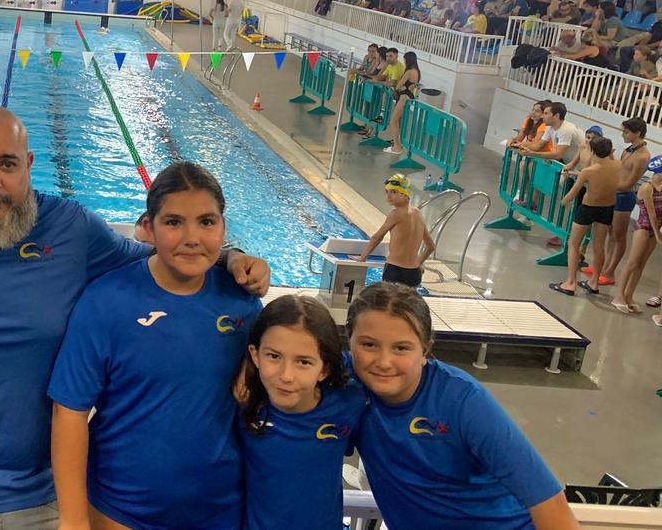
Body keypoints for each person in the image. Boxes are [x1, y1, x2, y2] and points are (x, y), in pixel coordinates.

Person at [0, 105, 270, 527]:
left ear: (28, 165)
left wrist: (230, 257)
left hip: (43, 496)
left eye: (7, 164)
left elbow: (165, 258)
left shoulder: (72, 230)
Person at [49, 162, 261, 529]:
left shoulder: (242, 304)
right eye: (174, 222)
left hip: (220, 511)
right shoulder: (106, 302)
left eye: (207, 222)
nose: (192, 237)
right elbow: (69, 413)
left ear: (224, 228)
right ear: (148, 228)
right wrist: (73, 518)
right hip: (118, 512)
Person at [346, 283, 579, 530]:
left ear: (425, 350)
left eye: (401, 348)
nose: (384, 362)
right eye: (369, 345)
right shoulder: (344, 385)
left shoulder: (462, 401)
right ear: (349, 344)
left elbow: (551, 505)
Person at [237, 295, 365, 530]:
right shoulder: (243, 405)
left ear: (324, 369)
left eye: (303, 362)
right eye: (274, 356)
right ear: (255, 356)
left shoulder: (349, 400)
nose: (286, 375)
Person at [549, 136, 619, 297]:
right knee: (599, 245)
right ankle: (594, 282)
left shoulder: (588, 171)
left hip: (588, 208)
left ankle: (570, 283)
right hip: (607, 208)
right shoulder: (618, 165)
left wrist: (562, 201)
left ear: (593, 151)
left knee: (574, 244)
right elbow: (610, 163)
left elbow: (572, 195)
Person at [586, 118, 650, 289]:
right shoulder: (629, 149)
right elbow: (619, 171)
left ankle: (609, 272)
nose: (623, 135)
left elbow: (629, 183)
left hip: (624, 197)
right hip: (615, 194)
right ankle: (604, 266)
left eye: (626, 132)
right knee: (609, 233)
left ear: (637, 133)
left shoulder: (643, 156)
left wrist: (608, 186)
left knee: (618, 236)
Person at [357, 174, 434, 288]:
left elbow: (377, 237)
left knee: (389, 304)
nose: (388, 196)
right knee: (407, 305)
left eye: (393, 192)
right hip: (414, 273)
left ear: (405, 193)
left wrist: (362, 258)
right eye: (387, 192)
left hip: (395, 271)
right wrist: (418, 263)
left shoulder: (396, 214)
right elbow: (431, 246)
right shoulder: (418, 213)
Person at [612, 156, 662, 315]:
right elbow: (651, 214)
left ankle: (629, 296)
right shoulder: (647, 188)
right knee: (632, 263)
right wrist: (658, 234)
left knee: (641, 265)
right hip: (644, 227)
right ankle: (618, 296)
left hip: (655, 229)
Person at [383, 52, 419, 156]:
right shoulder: (417, 71)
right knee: (398, 121)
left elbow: (398, 86)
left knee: (393, 121)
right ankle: (398, 143)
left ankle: (397, 146)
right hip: (408, 96)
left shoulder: (409, 72)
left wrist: (400, 86)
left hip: (404, 97)